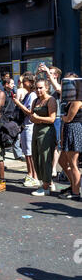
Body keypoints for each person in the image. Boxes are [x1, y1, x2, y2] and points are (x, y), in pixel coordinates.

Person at [30, 79, 57, 196]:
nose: (38, 90)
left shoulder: (51, 100)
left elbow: (52, 119)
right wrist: (34, 118)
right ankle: (48, 182)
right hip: (36, 130)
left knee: (45, 159)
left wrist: (38, 118)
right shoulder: (35, 100)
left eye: (41, 88)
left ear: (47, 88)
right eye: (37, 88)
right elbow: (31, 116)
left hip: (46, 132)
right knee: (36, 157)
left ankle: (45, 187)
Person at [12, 72, 38, 187]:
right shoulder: (29, 94)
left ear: (30, 83)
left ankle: (33, 176)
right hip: (25, 126)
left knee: (29, 153)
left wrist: (18, 103)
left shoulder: (32, 95)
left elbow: (29, 112)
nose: (22, 83)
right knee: (27, 153)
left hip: (29, 126)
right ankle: (30, 174)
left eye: (25, 81)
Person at [58, 73, 82, 201]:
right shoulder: (69, 98)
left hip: (74, 129)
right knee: (62, 161)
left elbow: (68, 118)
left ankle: (76, 191)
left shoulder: (77, 99)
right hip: (68, 130)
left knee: (73, 164)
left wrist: (62, 117)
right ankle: (73, 185)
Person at [38, 63, 62, 177]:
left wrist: (47, 71)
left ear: (56, 75)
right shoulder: (46, 85)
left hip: (56, 118)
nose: (48, 75)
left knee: (56, 144)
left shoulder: (58, 85)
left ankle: (53, 168)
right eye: (48, 73)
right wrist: (38, 73)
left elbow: (58, 88)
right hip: (44, 117)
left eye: (51, 73)